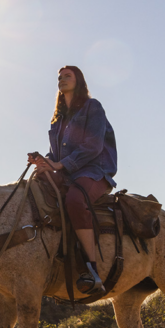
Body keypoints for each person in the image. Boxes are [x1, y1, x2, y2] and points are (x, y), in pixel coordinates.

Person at [28, 65, 117, 295]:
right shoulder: (57, 120)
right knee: (32, 192)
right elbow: (54, 155)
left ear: (79, 81)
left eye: (67, 76)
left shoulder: (92, 107)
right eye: (59, 77)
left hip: (95, 172)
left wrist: (61, 165)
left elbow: (94, 146)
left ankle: (92, 270)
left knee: (76, 201)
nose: (61, 79)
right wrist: (44, 162)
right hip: (67, 173)